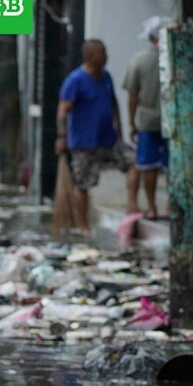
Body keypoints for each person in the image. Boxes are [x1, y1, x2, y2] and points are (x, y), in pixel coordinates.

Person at [55, 39, 135, 233]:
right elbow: (63, 111)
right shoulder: (75, 81)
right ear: (91, 57)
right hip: (83, 143)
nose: (106, 56)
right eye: (102, 53)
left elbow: (113, 102)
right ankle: (84, 227)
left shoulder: (106, 77)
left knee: (133, 162)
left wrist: (120, 128)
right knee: (82, 184)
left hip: (108, 139)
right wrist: (62, 136)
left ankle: (132, 205)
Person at [123, 17, 167, 219]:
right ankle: (172, 207)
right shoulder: (177, 57)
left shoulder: (139, 60)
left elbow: (132, 95)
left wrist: (132, 122)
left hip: (147, 122)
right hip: (173, 122)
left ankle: (151, 207)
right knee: (171, 166)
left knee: (149, 166)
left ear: (151, 37)